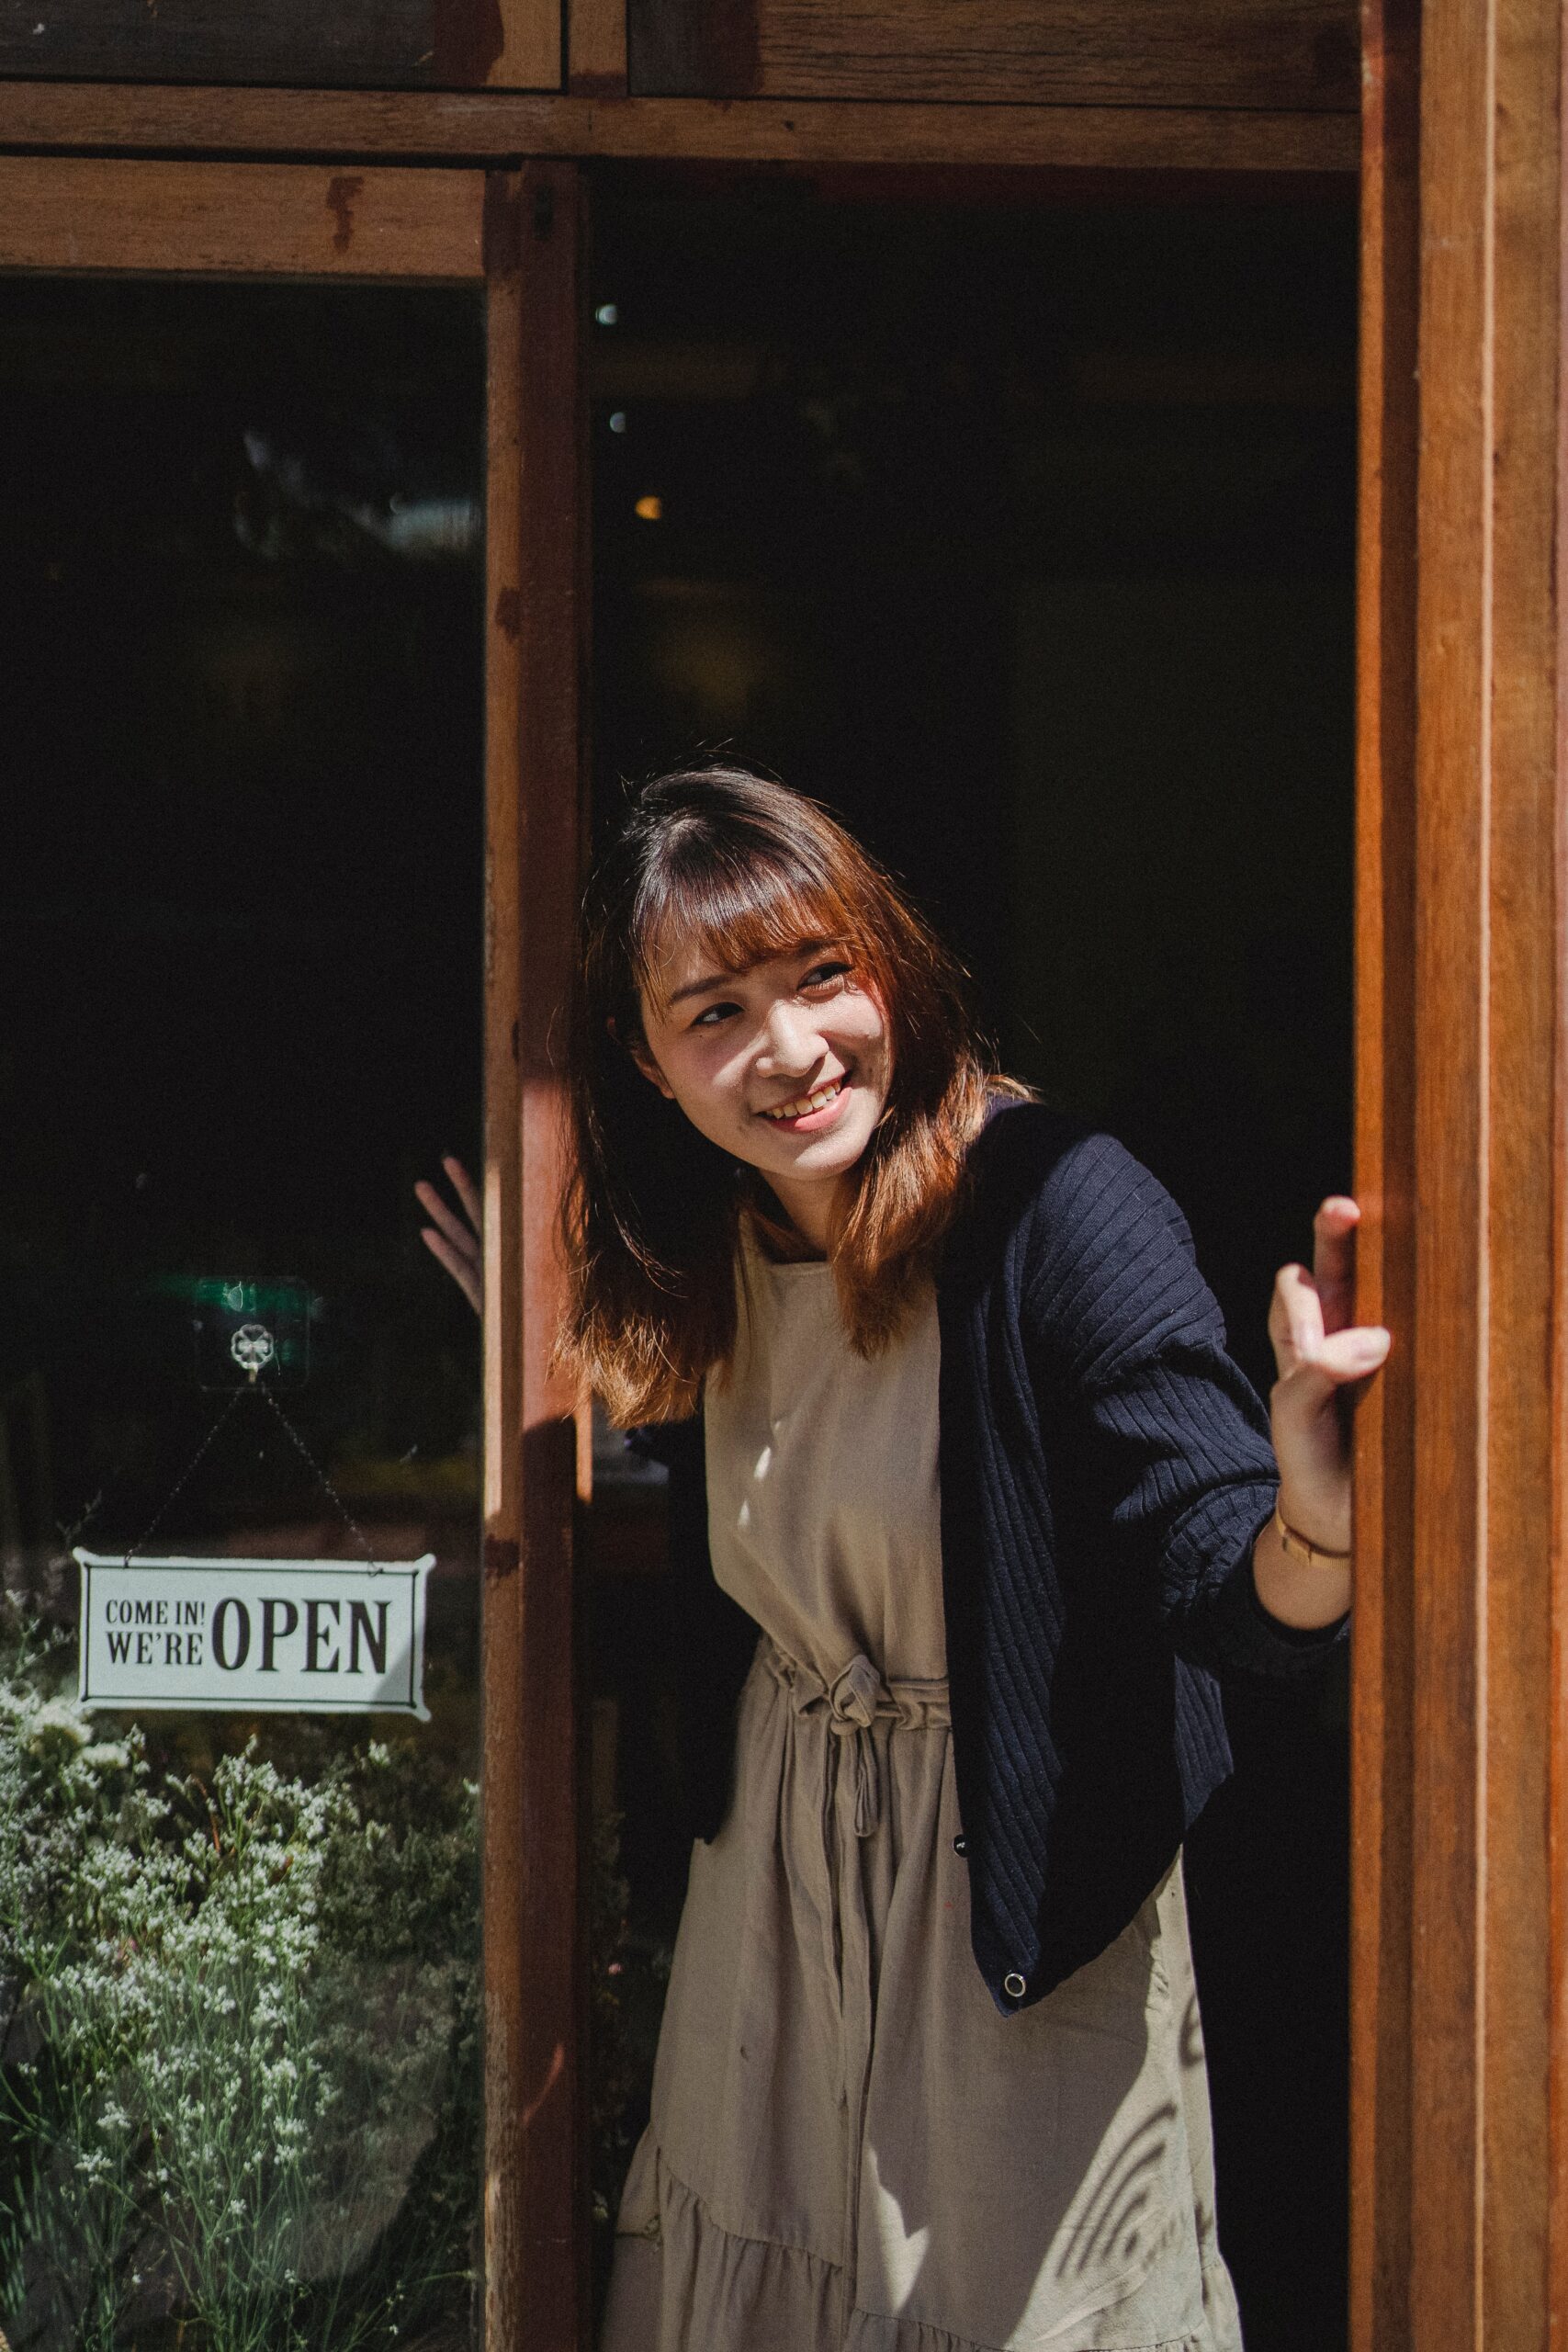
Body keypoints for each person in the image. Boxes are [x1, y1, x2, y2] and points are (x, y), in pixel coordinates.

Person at [417, 764, 1388, 2352]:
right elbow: (734, 1460)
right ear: (650, 1065)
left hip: (1009, 1908)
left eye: (822, 975)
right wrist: (539, 1367)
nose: (792, 1051)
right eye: (715, 1010)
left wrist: (1320, 1518)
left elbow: (1232, 1588)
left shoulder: (1063, 1210)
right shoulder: (709, 1233)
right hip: (773, 1909)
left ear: (894, 966)